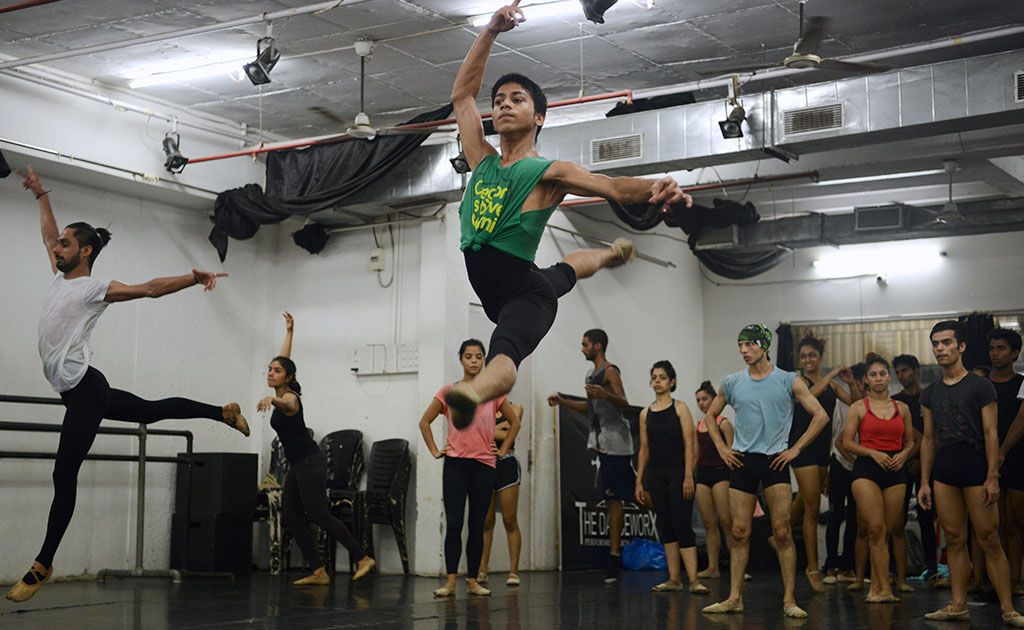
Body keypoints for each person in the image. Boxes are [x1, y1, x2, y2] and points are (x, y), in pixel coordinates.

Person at [6, 167, 250, 603]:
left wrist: (191, 278)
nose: (55, 246)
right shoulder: (61, 276)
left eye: (64, 243)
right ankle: (222, 412)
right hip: (78, 390)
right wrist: (42, 194)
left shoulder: (94, 288)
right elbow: (46, 234)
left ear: (84, 251)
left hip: (84, 390)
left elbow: (150, 290)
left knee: (64, 473)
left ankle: (43, 563)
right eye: (57, 242)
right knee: (151, 411)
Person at [443, 1, 690, 431]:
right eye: (499, 100)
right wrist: (490, 31)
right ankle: (612, 255)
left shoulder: (548, 172)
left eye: (517, 100)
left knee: (505, 348)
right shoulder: (480, 159)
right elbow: (462, 95)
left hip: (524, 297)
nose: (503, 105)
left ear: (538, 116)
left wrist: (655, 188)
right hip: (504, 289)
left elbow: (612, 187)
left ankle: (471, 393)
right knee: (565, 272)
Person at [700, 324, 829, 619]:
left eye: (749, 345)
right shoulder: (732, 382)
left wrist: (795, 449)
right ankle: (734, 598)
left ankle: (788, 600)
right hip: (743, 462)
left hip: (775, 462)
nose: (744, 351)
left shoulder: (788, 380)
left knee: (782, 532)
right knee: (738, 531)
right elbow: (710, 416)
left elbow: (820, 415)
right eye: (740, 346)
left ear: (764, 346)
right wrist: (721, 448)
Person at [917, 321, 1024, 625]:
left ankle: (1008, 609)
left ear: (961, 346)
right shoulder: (930, 392)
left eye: (946, 342)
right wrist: (924, 481)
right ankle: (958, 604)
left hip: (975, 464)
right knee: (953, 538)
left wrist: (992, 474)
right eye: (935, 343)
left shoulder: (980, 385)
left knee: (989, 537)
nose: (940, 348)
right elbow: (928, 438)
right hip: (945, 468)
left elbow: (991, 433)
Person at [258, 312, 375, 586]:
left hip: (311, 462)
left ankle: (361, 557)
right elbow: (285, 361)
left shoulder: (290, 397)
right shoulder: (283, 386)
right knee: (293, 517)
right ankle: (318, 571)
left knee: (319, 515)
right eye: (270, 369)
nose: (271, 373)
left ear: (288, 377)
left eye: (276, 371)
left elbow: (287, 404)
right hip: (299, 466)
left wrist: (271, 401)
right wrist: (289, 332)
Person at [420, 339, 521, 597]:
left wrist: (503, 447)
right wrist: (434, 450)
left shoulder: (495, 394)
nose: (474, 361)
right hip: (455, 465)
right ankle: (451, 581)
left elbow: (514, 422)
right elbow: (425, 422)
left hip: (484, 466)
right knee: (454, 523)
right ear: (461, 359)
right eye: (469, 356)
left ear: (484, 360)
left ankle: (473, 580)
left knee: (477, 524)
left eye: (478, 357)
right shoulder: (448, 392)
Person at [549, 329, 633, 582]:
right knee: (617, 498)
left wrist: (605, 394)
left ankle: (614, 559)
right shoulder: (590, 374)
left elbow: (624, 402)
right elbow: (590, 407)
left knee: (616, 499)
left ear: (597, 346)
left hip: (616, 442)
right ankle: (616, 555)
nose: (581, 348)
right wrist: (563, 402)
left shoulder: (609, 371)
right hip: (602, 442)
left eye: (585, 344)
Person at [780, 334, 856, 591]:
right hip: (802, 448)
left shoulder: (833, 386)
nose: (808, 360)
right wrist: (831, 374)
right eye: (803, 356)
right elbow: (810, 397)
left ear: (819, 357)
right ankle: (813, 568)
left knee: (804, 498)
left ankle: (777, 533)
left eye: (812, 355)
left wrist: (851, 381)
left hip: (823, 449)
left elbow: (856, 403)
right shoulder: (797, 381)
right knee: (812, 507)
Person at [840, 354, 915, 603]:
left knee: (891, 528)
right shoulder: (858, 407)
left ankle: (887, 589)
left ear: (888, 376)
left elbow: (911, 441)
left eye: (882, 373)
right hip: (866, 470)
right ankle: (876, 588)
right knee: (875, 529)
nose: (878, 378)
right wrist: (872, 452)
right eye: (873, 375)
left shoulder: (901, 408)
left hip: (895, 469)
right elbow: (846, 441)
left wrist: (904, 456)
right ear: (866, 380)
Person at [634, 361, 708, 593]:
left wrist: (688, 476)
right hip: (656, 474)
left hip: (678, 472)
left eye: (662, 377)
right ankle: (674, 579)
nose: (657, 381)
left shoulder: (681, 408)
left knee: (682, 524)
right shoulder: (645, 413)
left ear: (672, 381)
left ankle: (694, 579)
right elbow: (644, 448)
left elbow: (690, 443)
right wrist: (639, 481)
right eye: (654, 377)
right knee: (665, 524)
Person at [892, 353, 941, 587]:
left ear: (916, 371)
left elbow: (935, 436)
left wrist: (923, 463)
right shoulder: (895, 402)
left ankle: (932, 569)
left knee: (926, 517)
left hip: (927, 466)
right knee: (896, 518)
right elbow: (894, 437)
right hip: (901, 465)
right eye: (898, 372)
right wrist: (906, 458)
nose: (901, 376)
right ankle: (894, 570)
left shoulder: (929, 397)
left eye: (905, 371)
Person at [693, 380, 743, 580]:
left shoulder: (724, 423)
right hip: (703, 476)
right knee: (708, 523)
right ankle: (713, 567)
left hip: (721, 474)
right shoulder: (698, 426)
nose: (701, 403)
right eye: (698, 400)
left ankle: (737, 567)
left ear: (714, 399)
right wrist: (689, 475)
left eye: (704, 399)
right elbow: (696, 455)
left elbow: (732, 451)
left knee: (726, 521)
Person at [990, 329, 1024, 594]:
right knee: (998, 524)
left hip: (1017, 458)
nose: (995, 354)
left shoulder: (1022, 383)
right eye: (992, 348)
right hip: (988, 461)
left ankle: (1017, 580)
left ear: (1014, 353)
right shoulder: (981, 384)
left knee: (1018, 522)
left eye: (1001, 348)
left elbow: (1020, 421)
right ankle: (1001, 583)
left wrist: (1001, 451)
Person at [478, 401, 524, 587]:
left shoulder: (516, 408)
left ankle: (513, 571)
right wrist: (502, 428)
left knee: (510, 520)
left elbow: (510, 435)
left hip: (506, 465)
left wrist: (488, 430)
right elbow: (475, 433)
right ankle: (482, 570)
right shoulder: (480, 407)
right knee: (486, 521)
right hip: (485, 463)